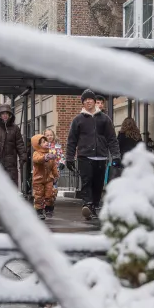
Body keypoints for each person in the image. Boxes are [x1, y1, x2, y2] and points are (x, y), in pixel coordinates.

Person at [65, 89, 120, 220]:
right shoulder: (78, 120)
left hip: (101, 156)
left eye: (90, 99)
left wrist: (116, 155)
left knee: (98, 184)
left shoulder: (104, 119)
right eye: (85, 100)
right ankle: (87, 205)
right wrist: (69, 158)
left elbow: (112, 138)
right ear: (83, 103)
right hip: (84, 156)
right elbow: (71, 140)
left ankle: (94, 205)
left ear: (95, 101)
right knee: (86, 182)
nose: (88, 101)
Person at [0, 102, 28, 186]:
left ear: (10, 114)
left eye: (7, 113)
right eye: (3, 113)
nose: (5, 115)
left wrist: (23, 156)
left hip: (11, 163)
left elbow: (19, 144)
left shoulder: (15, 128)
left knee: (11, 185)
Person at [31, 133, 59, 220]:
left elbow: (54, 166)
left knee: (50, 194)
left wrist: (56, 175)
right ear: (38, 145)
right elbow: (37, 160)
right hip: (38, 179)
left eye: (46, 141)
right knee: (39, 195)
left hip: (48, 179)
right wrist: (45, 158)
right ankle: (39, 211)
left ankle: (49, 209)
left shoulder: (50, 154)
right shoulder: (36, 153)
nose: (46, 143)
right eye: (43, 142)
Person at [43, 128, 60, 212]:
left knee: (54, 188)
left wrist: (62, 163)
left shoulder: (57, 146)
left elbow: (61, 155)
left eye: (51, 135)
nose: (49, 137)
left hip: (55, 170)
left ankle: (51, 203)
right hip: (46, 170)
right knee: (46, 188)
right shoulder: (43, 146)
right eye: (47, 135)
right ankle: (46, 204)